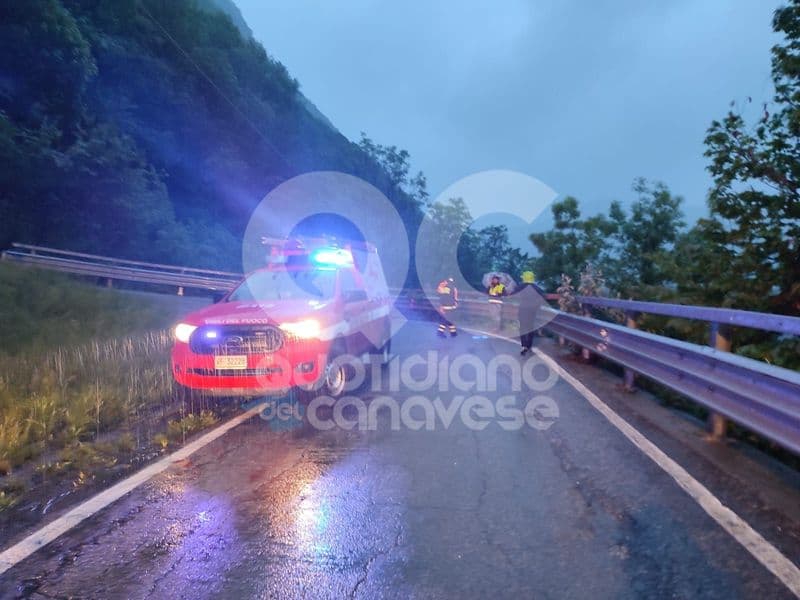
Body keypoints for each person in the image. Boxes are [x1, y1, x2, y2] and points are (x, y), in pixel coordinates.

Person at [512, 271, 546, 355]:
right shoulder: (536, 288)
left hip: (523, 309)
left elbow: (512, 295)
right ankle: (529, 345)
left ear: (524, 278)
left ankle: (524, 345)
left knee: (522, 327)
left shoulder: (520, 287)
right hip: (532, 310)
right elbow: (543, 296)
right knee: (530, 327)